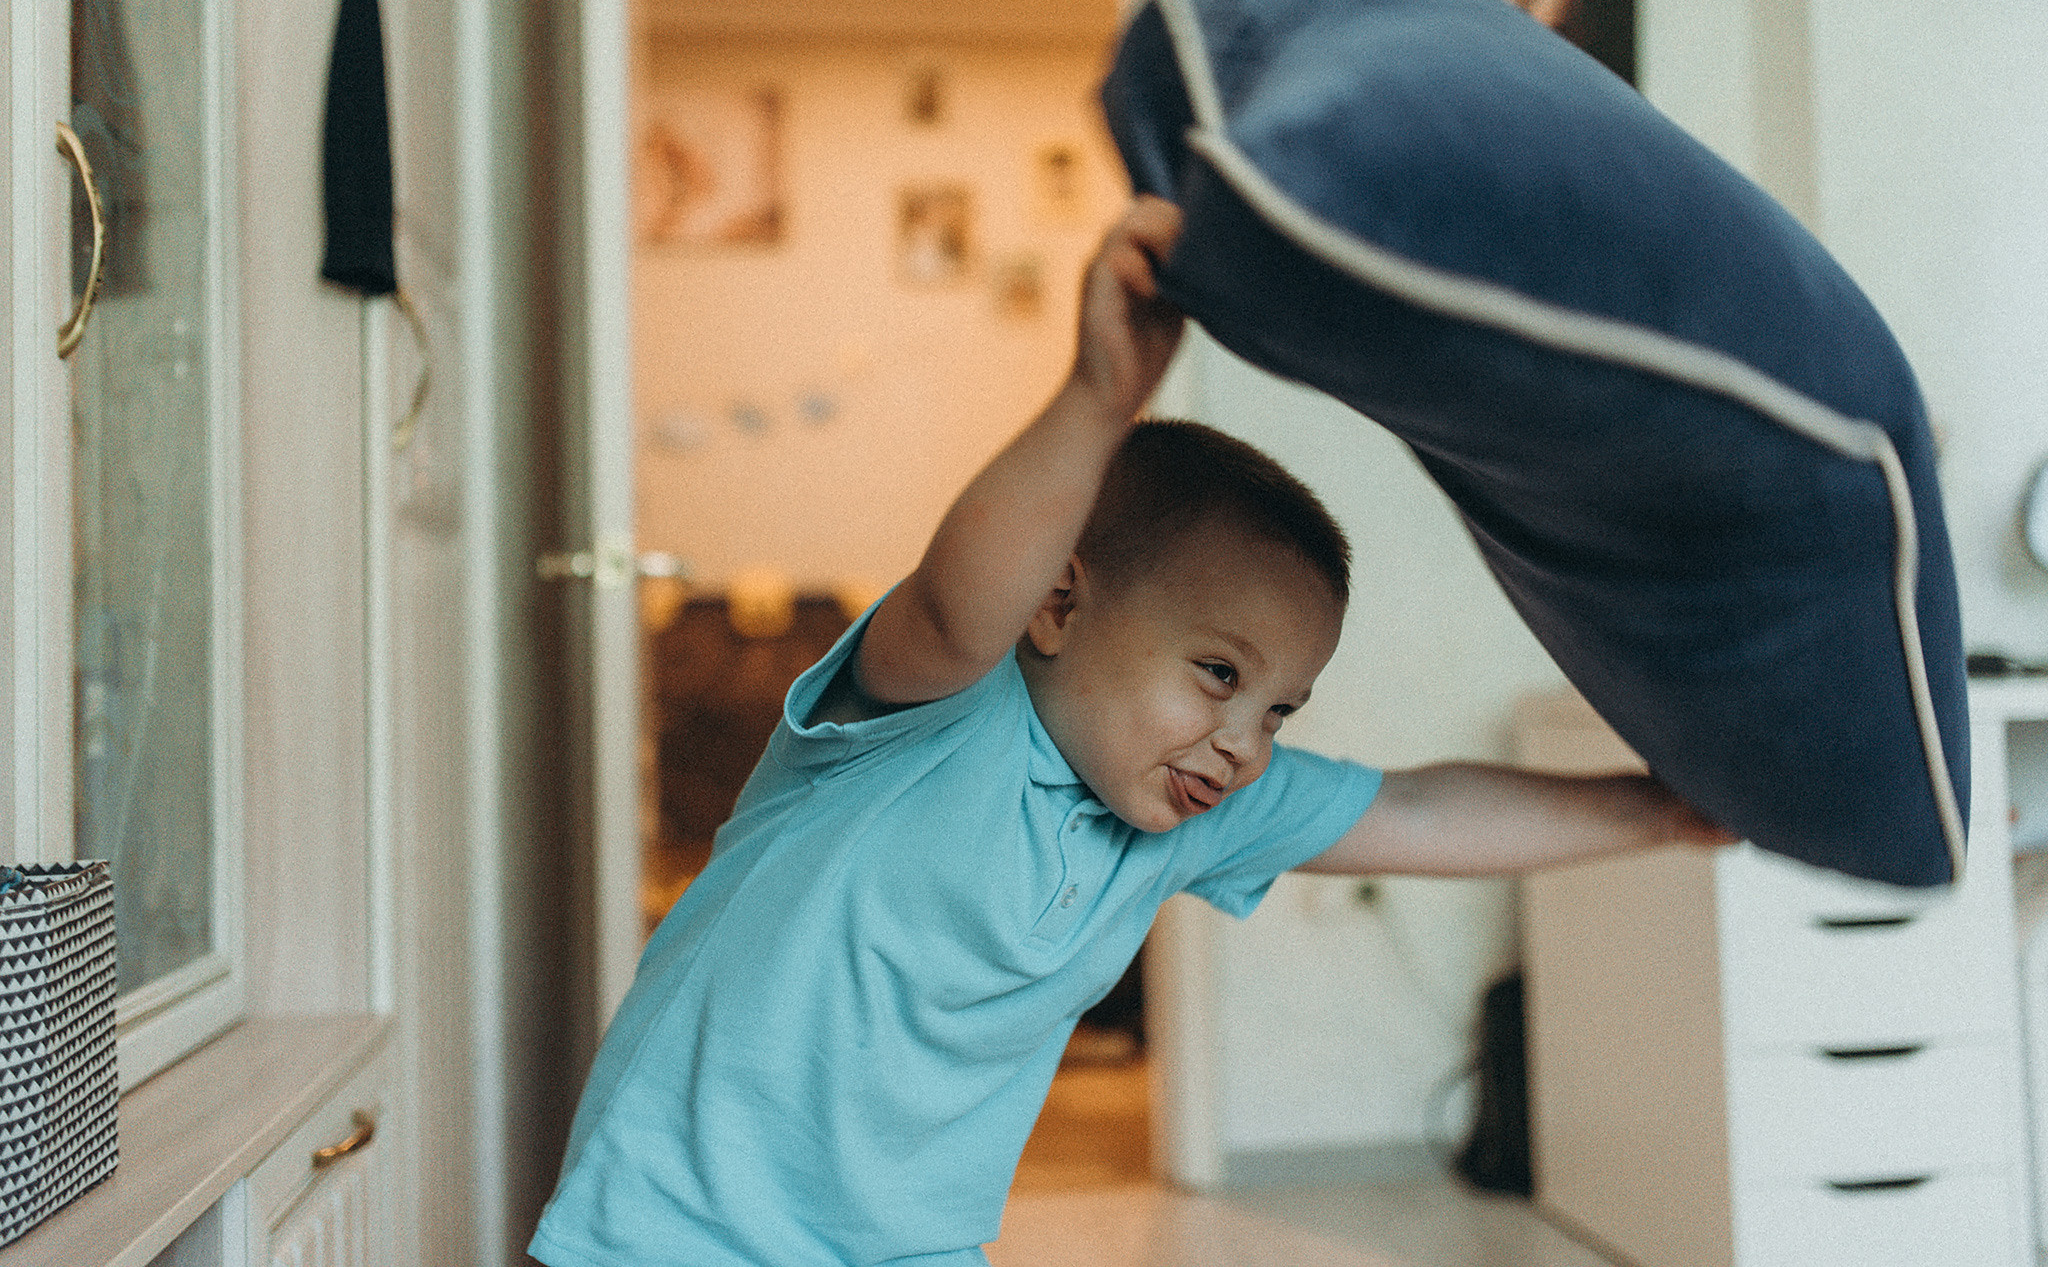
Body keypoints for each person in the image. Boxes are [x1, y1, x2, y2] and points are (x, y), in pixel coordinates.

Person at [527, 198, 1733, 1267]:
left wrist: (1652, 809)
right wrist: (1098, 397)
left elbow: (1417, 811)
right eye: (1216, 672)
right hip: (676, 1221)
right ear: (1058, 602)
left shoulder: (1192, 810)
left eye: (1276, 708)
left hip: (903, 1239)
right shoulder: (927, 708)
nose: (1243, 739)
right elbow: (960, 590)